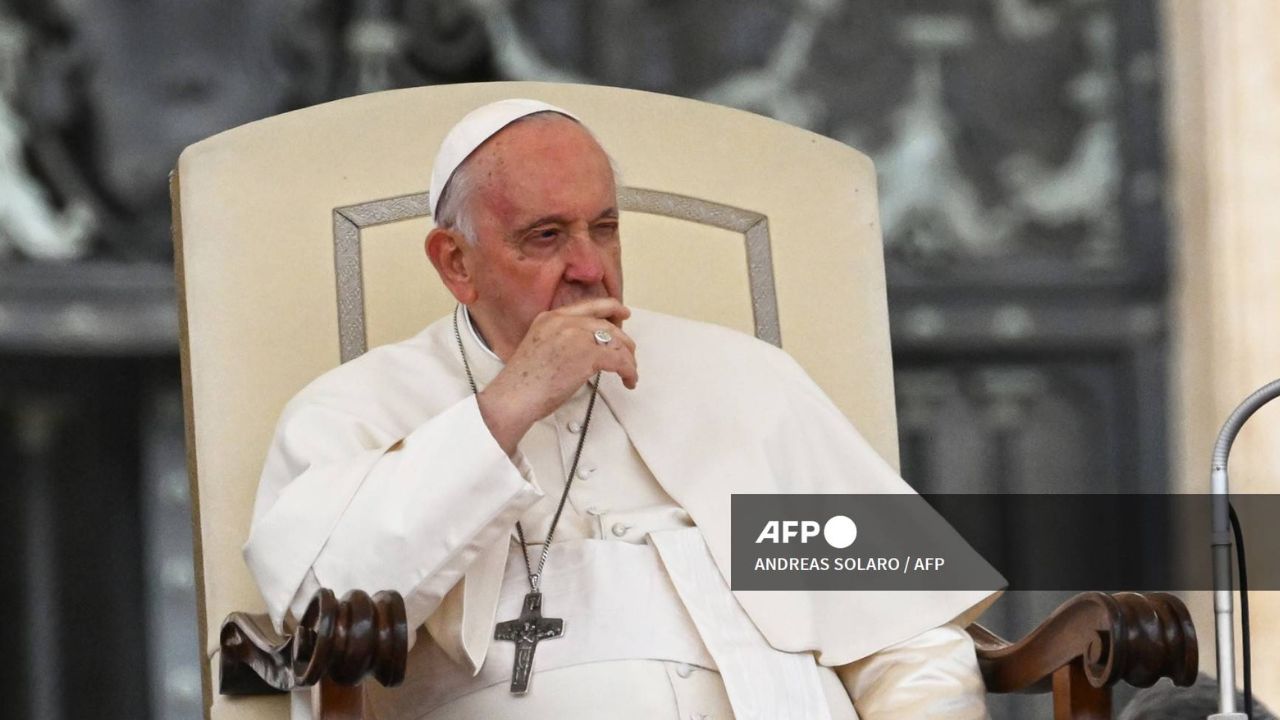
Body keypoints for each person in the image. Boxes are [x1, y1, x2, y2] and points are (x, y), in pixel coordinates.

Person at [245, 98, 1002, 719]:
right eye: (545, 236)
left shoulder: (744, 379)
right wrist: (508, 406)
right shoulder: (354, 409)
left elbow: (911, 639)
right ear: (456, 263)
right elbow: (320, 611)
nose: (589, 267)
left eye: (603, 227)